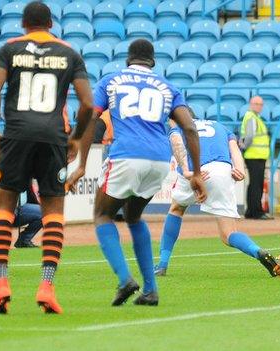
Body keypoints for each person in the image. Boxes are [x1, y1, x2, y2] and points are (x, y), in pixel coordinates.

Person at [0, 1, 94, 314]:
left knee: (4, 207)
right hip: (53, 138)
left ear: (23, 24)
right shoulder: (69, 53)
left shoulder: (10, 49)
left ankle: (1, 283)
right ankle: (46, 286)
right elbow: (87, 104)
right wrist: (74, 139)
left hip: (17, 136)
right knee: (53, 212)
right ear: (51, 24)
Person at [81, 39, 206, 307]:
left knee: (102, 215)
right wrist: (194, 172)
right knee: (134, 216)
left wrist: (80, 160)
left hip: (126, 154)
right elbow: (190, 129)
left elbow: (91, 116)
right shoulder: (169, 87)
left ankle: (125, 278)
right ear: (153, 61)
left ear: (129, 59)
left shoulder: (111, 80)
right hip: (160, 160)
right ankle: (150, 290)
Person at [154, 113, 280, 278]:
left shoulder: (179, 126)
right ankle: (257, 251)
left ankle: (162, 264)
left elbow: (177, 143)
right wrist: (240, 169)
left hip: (197, 170)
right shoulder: (220, 126)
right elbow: (234, 148)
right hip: (223, 171)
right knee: (228, 233)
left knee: (176, 209)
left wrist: (187, 171)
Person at [0, 156, 42, 248]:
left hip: (20, 208)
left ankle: (24, 240)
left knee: (43, 212)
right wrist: (5, 161)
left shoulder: (26, 156)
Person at [239, 96, 271, 220]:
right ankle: (257, 212)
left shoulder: (254, 117)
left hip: (256, 155)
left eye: (261, 104)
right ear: (251, 104)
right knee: (256, 185)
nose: (259, 106)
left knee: (254, 184)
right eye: (257, 104)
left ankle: (250, 211)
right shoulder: (252, 117)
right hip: (254, 155)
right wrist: (245, 147)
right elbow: (250, 136)